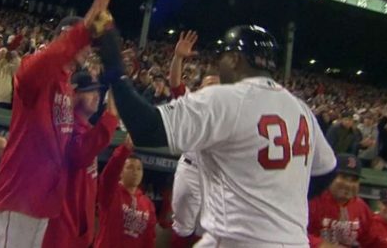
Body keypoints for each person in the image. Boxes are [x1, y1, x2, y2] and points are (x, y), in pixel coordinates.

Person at [97, 24, 337, 247]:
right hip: (294, 241)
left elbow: (146, 129)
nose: (219, 63)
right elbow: (327, 171)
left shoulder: (228, 98)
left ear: (234, 59)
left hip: (239, 240)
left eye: (222, 56)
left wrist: (115, 69)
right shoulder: (301, 108)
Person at [0, 0, 114, 248]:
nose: (86, 46)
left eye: (89, 41)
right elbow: (41, 65)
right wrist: (81, 33)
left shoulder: (66, 87)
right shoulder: (34, 71)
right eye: (82, 39)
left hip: (44, 203)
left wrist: (110, 119)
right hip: (20, 195)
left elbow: (74, 153)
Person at [42, 72, 119, 248]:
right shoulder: (65, 126)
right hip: (60, 226)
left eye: (98, 92)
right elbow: (81, 154)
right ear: (74, 94)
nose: (96, 96)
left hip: (79, 228)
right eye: (89, 91)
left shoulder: (87, 128)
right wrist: (112, 114)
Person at [167, 31, 220, 247]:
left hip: (214, 176)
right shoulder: (192, 104)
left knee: (206, 229)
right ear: (200, 89)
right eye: (209, 85)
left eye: (218, 87)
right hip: (190, 170)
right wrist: (178, 58)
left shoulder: (230, 113)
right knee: (182, 227)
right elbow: (175, 84)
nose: (213, 90)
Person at [308, 154, 387, 248]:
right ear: (331, 177)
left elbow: (371, 240)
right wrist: (320, 245)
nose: (348, 184)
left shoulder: (361, 208)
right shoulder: (313, 200)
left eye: (354, 180)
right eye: (343, 177)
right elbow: (294, 231)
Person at [94, 136, 157, 248]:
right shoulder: (111, 193)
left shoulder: (148, 204)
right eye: (130, 167)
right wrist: (124, 150)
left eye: (139, 169)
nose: (135, 172)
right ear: (121, 172)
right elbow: (108, 176)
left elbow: (149, 238)